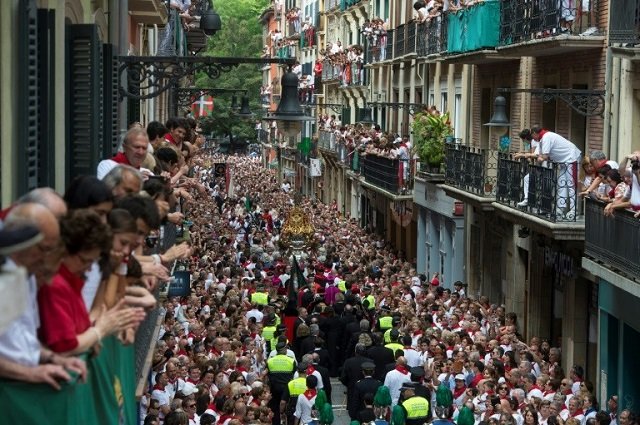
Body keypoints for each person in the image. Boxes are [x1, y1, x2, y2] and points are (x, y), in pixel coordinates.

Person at [531, 125, 581, 219]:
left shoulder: (546, 137)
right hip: (564, 161)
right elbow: (540, 154)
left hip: (571, 158)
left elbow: (545, 156)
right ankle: (560, 210)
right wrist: (538, 157)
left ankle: (575, 211)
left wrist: (540, 159)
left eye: (532, 135)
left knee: (571, 185)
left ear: (534, 133)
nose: (532, 138)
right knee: (561, 184)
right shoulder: (543, 138)